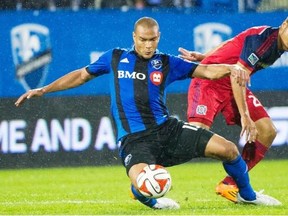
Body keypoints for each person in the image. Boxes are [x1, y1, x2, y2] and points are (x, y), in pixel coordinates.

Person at [15, 17, 281, 209]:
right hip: (135, 140)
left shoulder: (165, 62)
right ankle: (147, 198)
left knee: (229, 150)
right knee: (146, 183)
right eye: (143, 40)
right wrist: (44, 89)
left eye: (153, 39)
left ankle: (247, 194)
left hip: (167, 130)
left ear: (158, 37)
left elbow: (208, 71)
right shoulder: (115, 57)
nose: (148, 45)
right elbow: (80, 76)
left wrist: (232, 68)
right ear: (134, 38)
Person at [178, 17, 288, 203]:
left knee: (267, 131)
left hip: (232, 85)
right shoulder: (263, 41)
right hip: (209, 83)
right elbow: (237, 74)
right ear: (284, 25)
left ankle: (231, 183)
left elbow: (232, 42)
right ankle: (146, 171)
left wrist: (206, 56)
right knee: (194, 138)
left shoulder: (275, 44)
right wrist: (245, 116)